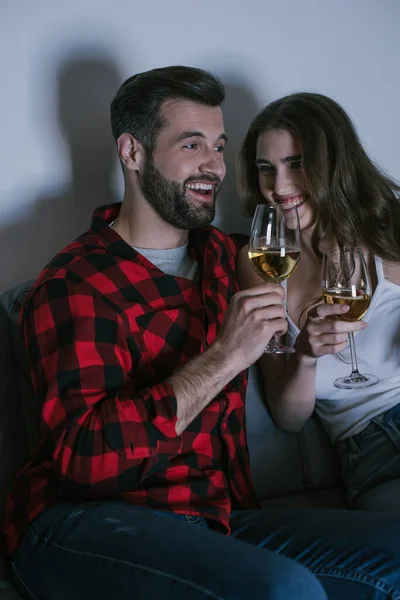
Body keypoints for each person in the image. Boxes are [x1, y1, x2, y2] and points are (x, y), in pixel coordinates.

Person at [3, 69, 400, 600]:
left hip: (216, 521)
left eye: (218, 146)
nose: (214, 165)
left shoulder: (223, 259)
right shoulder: (76, 283)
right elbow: (84, 464)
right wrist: (225, 356)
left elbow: (309, 226)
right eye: (192, 145)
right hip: (85, 524)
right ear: (133, 152)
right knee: (284, 588)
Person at [237, 91, 400, 516]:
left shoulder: (390, 231)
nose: (279, 187)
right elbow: (288, 418)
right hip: (371, 451)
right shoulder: (263, 261)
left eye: (297, 163)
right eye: (266, 169)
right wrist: (305, 356)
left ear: (332, 163)